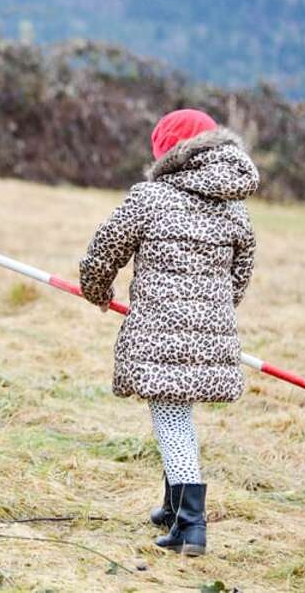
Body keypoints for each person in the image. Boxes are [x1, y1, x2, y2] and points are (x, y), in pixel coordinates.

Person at [78, 109, 259, 556]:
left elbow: (105, 248)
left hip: (161, 331)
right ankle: (172, 505)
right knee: (180, 414)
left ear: (168, 153)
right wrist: (209, 316)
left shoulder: (151, 198)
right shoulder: (234, 208)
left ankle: (190, 527)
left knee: (171, 418)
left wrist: (96, 290)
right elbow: (242, 275)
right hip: (211, 332)